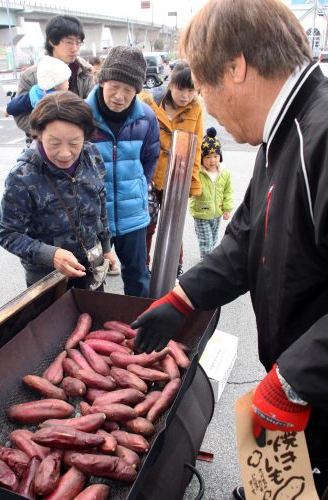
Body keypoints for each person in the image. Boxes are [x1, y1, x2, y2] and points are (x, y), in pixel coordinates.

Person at [131, 0, 328, 498]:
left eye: (203, 84)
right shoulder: (280, 134)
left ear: (236, 67)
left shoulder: (322, 134)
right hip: (290, 383)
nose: (206, 104)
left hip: (312, 388)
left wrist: (295, 380)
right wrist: (183, 298)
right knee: (274, 488)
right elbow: (244, 237)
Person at [0, 91, 112, 290]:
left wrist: (106, 247)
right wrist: (50, 255)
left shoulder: (92, 155)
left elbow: (100, 201)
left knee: (94, 319)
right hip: (47, 278)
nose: (65, 153)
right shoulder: (22, 176)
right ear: (39, 133)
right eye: (55, 143)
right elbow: (8, 233)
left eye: (75, 143)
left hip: (91, 268)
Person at [86, 45, 160, 297]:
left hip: (132, 216)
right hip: (93, 218)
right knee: (92, 280)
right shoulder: (82, 116)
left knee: (138, 276)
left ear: (137, 91)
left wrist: (137, 186)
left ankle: (138, 332)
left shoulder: (147, 118)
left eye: (128, 90)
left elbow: (150, 158)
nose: (119, 95)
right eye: (114, 87)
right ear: (102, 81)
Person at [140, 63, 204, 276]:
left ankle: (174, 270)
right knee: (147, 225)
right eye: (180, 88)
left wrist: (192, 181)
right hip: (151, 174)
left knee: (173, 227)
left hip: (178, 177)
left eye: (191, 90)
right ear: (170, 84)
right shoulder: (150, 102)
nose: (185, 95)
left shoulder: (196, 108)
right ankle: (144, 267)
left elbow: (197, 148)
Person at [14, 15, 94, 136]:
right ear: (52, 41)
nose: (75, 49)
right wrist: (50, 134)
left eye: (78, 42)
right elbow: (21, 117)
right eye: (69, 42)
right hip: (45, 146)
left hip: (79, 142)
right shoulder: (31, 76)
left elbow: (92, 111)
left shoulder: (84, 73)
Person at [189, 127, 234, 260]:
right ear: (201, 158)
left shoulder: (224, 173)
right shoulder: (198, 173)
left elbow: (228, 191)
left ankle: (207, 262)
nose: (212, 160)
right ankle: (206, 266)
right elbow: (190, 187)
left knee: (213, 241)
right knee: (206, 243)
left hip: (217, 213)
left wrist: (227, 208)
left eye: (215, 156)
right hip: (201, 213)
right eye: (208, 157)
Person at [3, 56, 71, 117]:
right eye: (66, 80)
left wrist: (7, 110)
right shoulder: (62, 99)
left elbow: (17, 104)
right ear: (56, 84)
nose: (68, 83)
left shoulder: (35, 93)